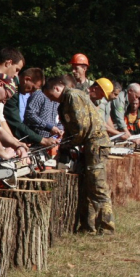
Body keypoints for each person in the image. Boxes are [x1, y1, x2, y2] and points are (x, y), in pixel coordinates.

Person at [43, 75, 115, 234]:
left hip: (96, 145)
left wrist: (68, 143)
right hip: (87, 145)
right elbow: (71, 127)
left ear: (57, 88)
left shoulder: (72, 96)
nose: (51, 99)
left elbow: (82, 127)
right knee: (86, 187)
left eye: (50, 95)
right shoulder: (63, 102)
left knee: (98, 186)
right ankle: (88, 227)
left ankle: (107, 227)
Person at [3, 68, 57, 148]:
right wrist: (42, 140)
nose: (32, 92)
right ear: (27, 79)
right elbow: (15, 122)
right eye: (33, 88)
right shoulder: (12, 90)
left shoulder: (17, 89)